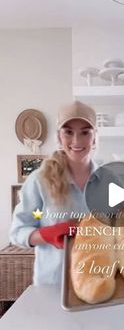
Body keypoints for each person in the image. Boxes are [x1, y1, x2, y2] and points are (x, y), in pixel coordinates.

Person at [10, 100, 101, 285]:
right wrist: (48, 234)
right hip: (53, 285)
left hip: (99, 283)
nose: (76, 141)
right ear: (59, 137)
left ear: (94, 137)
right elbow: (18, 232)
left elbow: (123, 226)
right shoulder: (39, 181)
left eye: (85, 132)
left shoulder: (109, 181)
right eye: (68, 132)